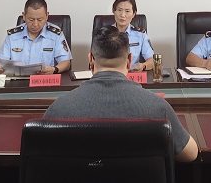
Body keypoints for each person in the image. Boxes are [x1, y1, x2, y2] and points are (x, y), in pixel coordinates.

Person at [44, 25, 198, 162]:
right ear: (129, 60)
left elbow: (41, 157)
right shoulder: (158, 108)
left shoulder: (59, 108)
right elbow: (190, 154)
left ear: (91, 59)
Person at [0, 0, 71, 75]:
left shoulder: (55, 34)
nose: (35, 24)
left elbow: (66, 62)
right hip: (19, 80)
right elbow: (1, 63)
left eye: (40, 19)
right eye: (31, 19)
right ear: (24, 16)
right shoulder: (12, 36)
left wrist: (54, 69)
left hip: (44, 79)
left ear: (47, 16)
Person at [111, 0, 154, 72]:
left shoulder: (140, 35)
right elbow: (95, 61)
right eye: (119, 10)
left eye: (127, 11)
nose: (122, 15)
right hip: (110, 76)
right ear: (114, 11)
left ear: (133, 14)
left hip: (132, 75)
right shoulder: (104, 34)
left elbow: (152, 60)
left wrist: (143, 66)